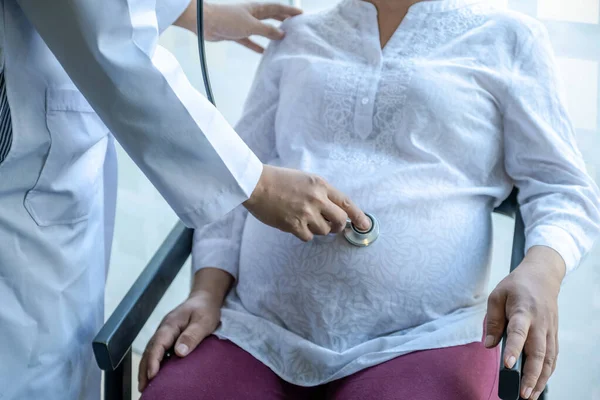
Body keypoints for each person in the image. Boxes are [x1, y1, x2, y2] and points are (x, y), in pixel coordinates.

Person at [139, 0, 600, 399]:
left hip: (424, 338)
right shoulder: (296, 33)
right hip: (257, 329)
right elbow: (237, 174)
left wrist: (543, 271)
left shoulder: (509, 37)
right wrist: (206, 291)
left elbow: (562, 186)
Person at [0, 1, 371, 399]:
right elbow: (109, 34)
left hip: (405, 338)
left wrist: (189, 12)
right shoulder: (303, 48)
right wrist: (255, 185)